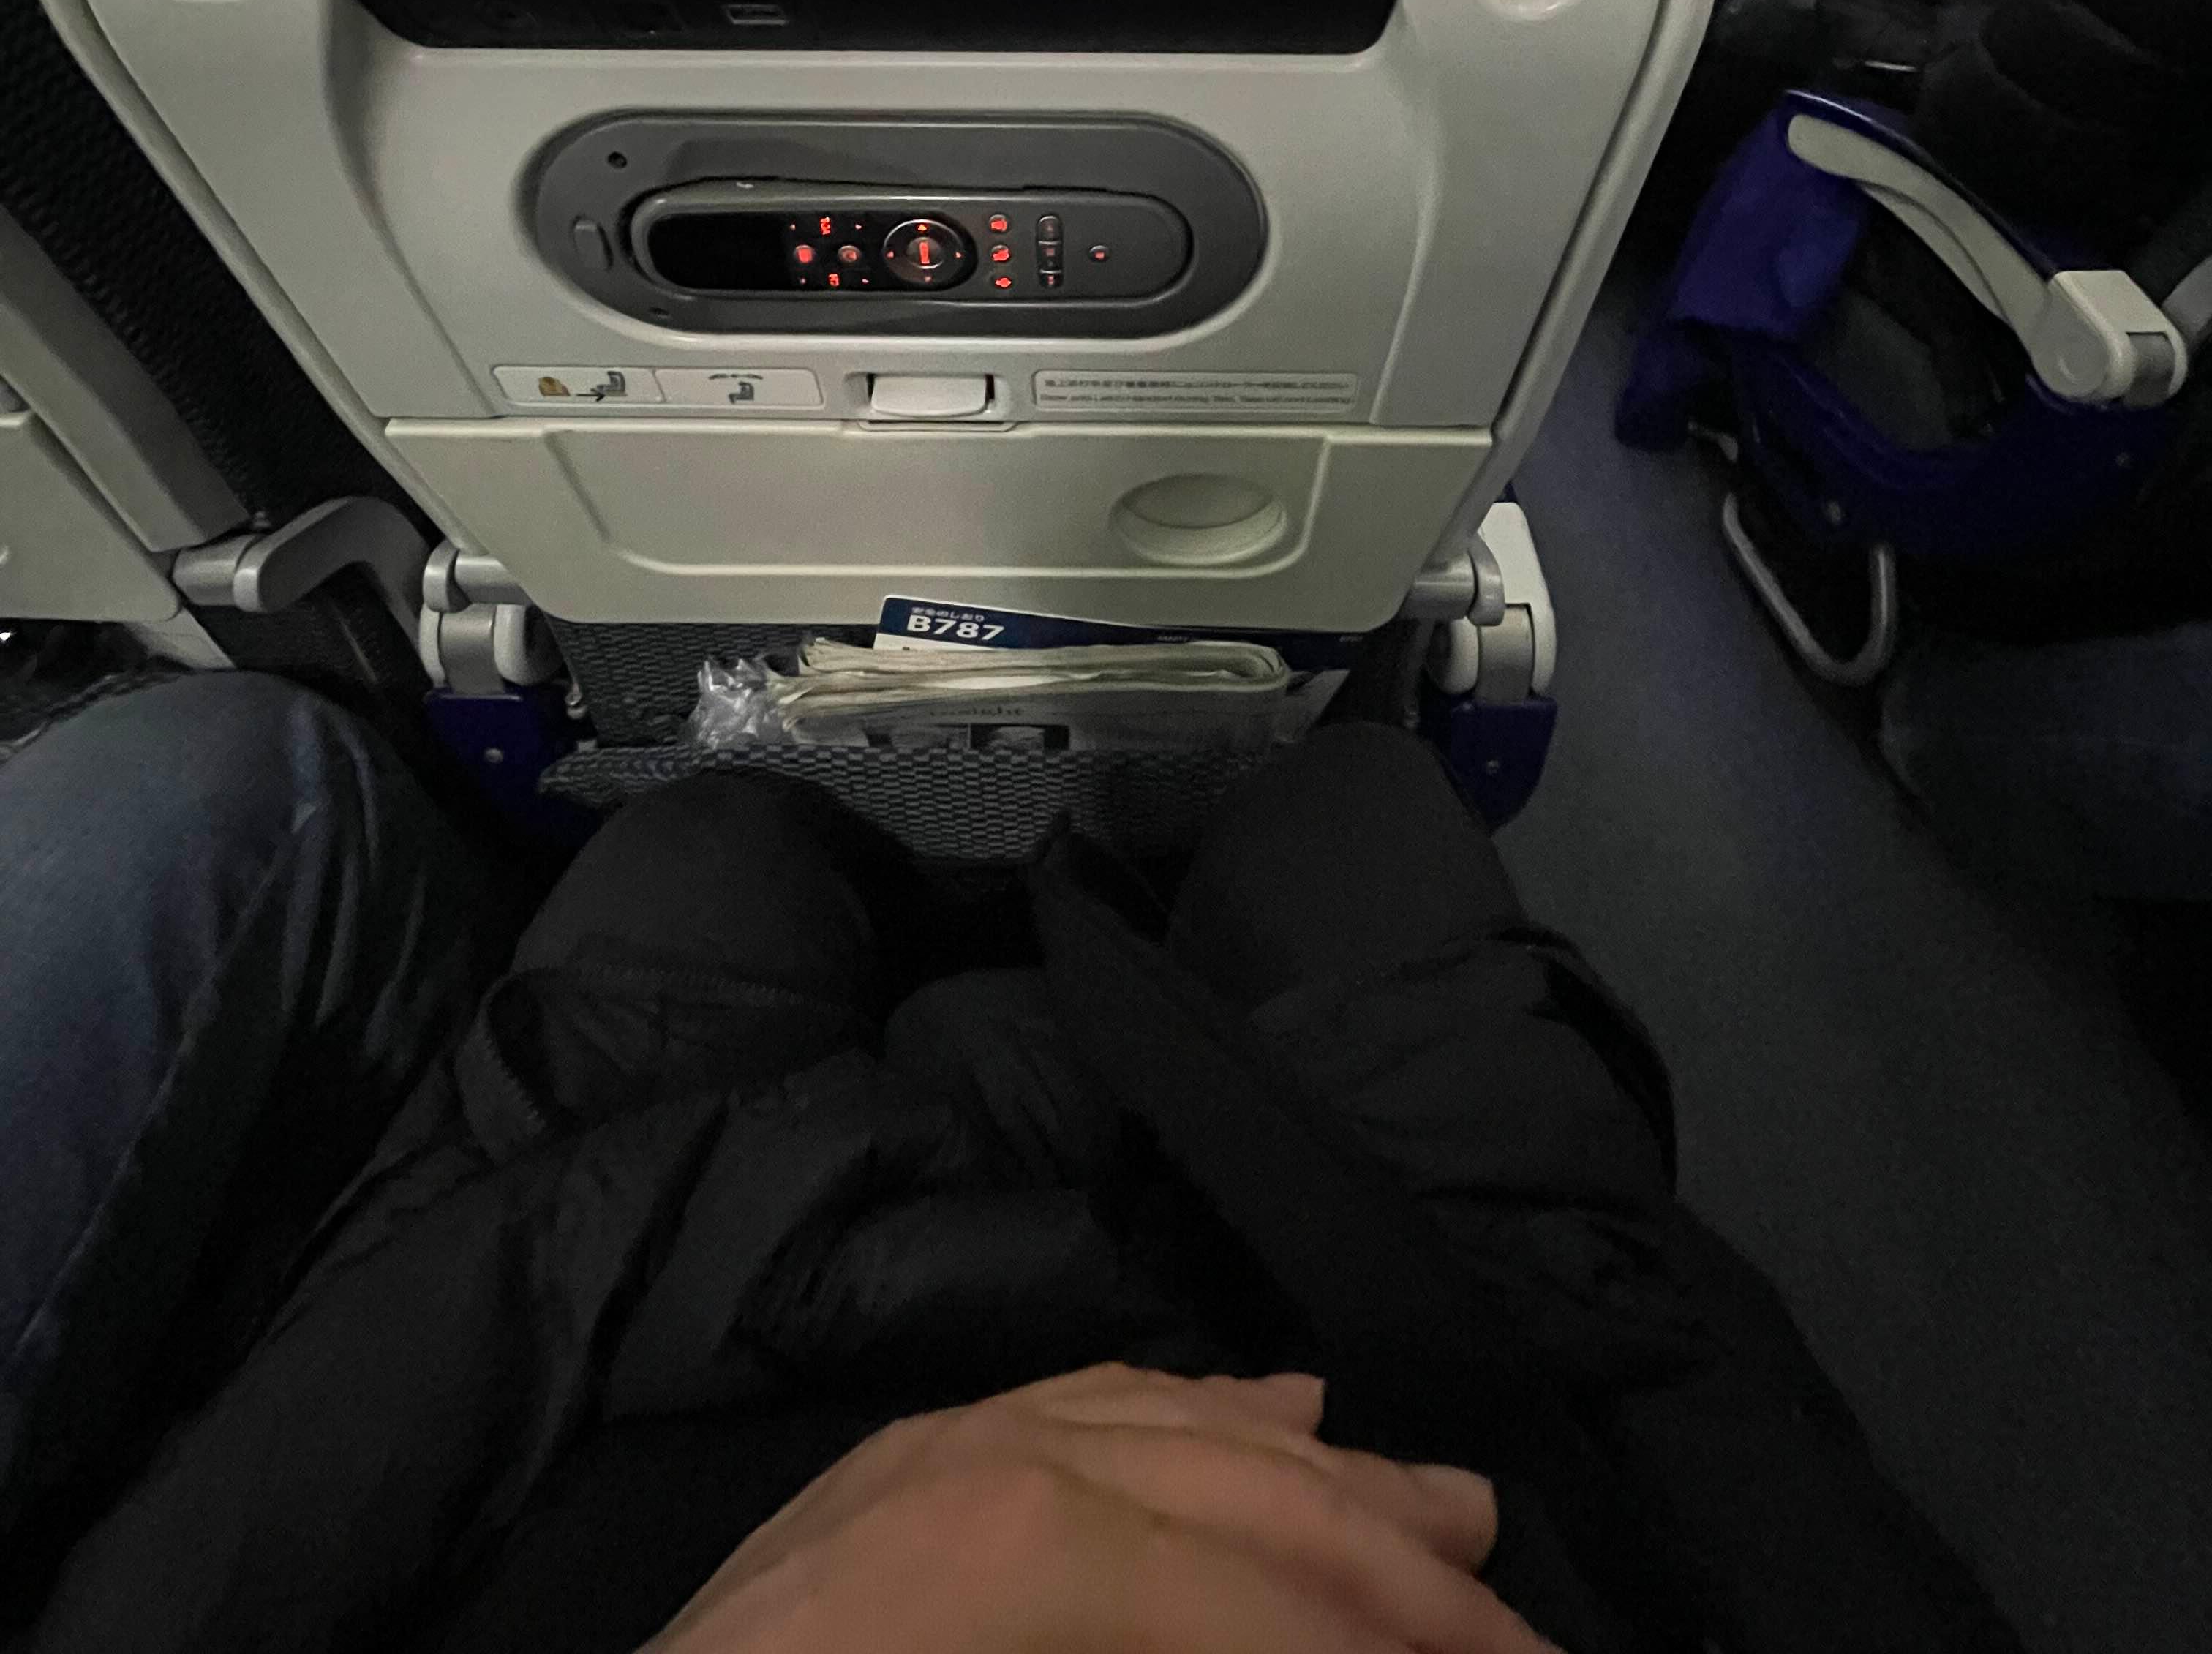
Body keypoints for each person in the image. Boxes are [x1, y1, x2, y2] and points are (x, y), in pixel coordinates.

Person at [1, 669, 2021, 1653]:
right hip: (1413, 1325)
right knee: (1348, 789)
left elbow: (249, 1542)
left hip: (597, 1364)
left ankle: (935, 887)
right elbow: (1768, 1523)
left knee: (720, 842)